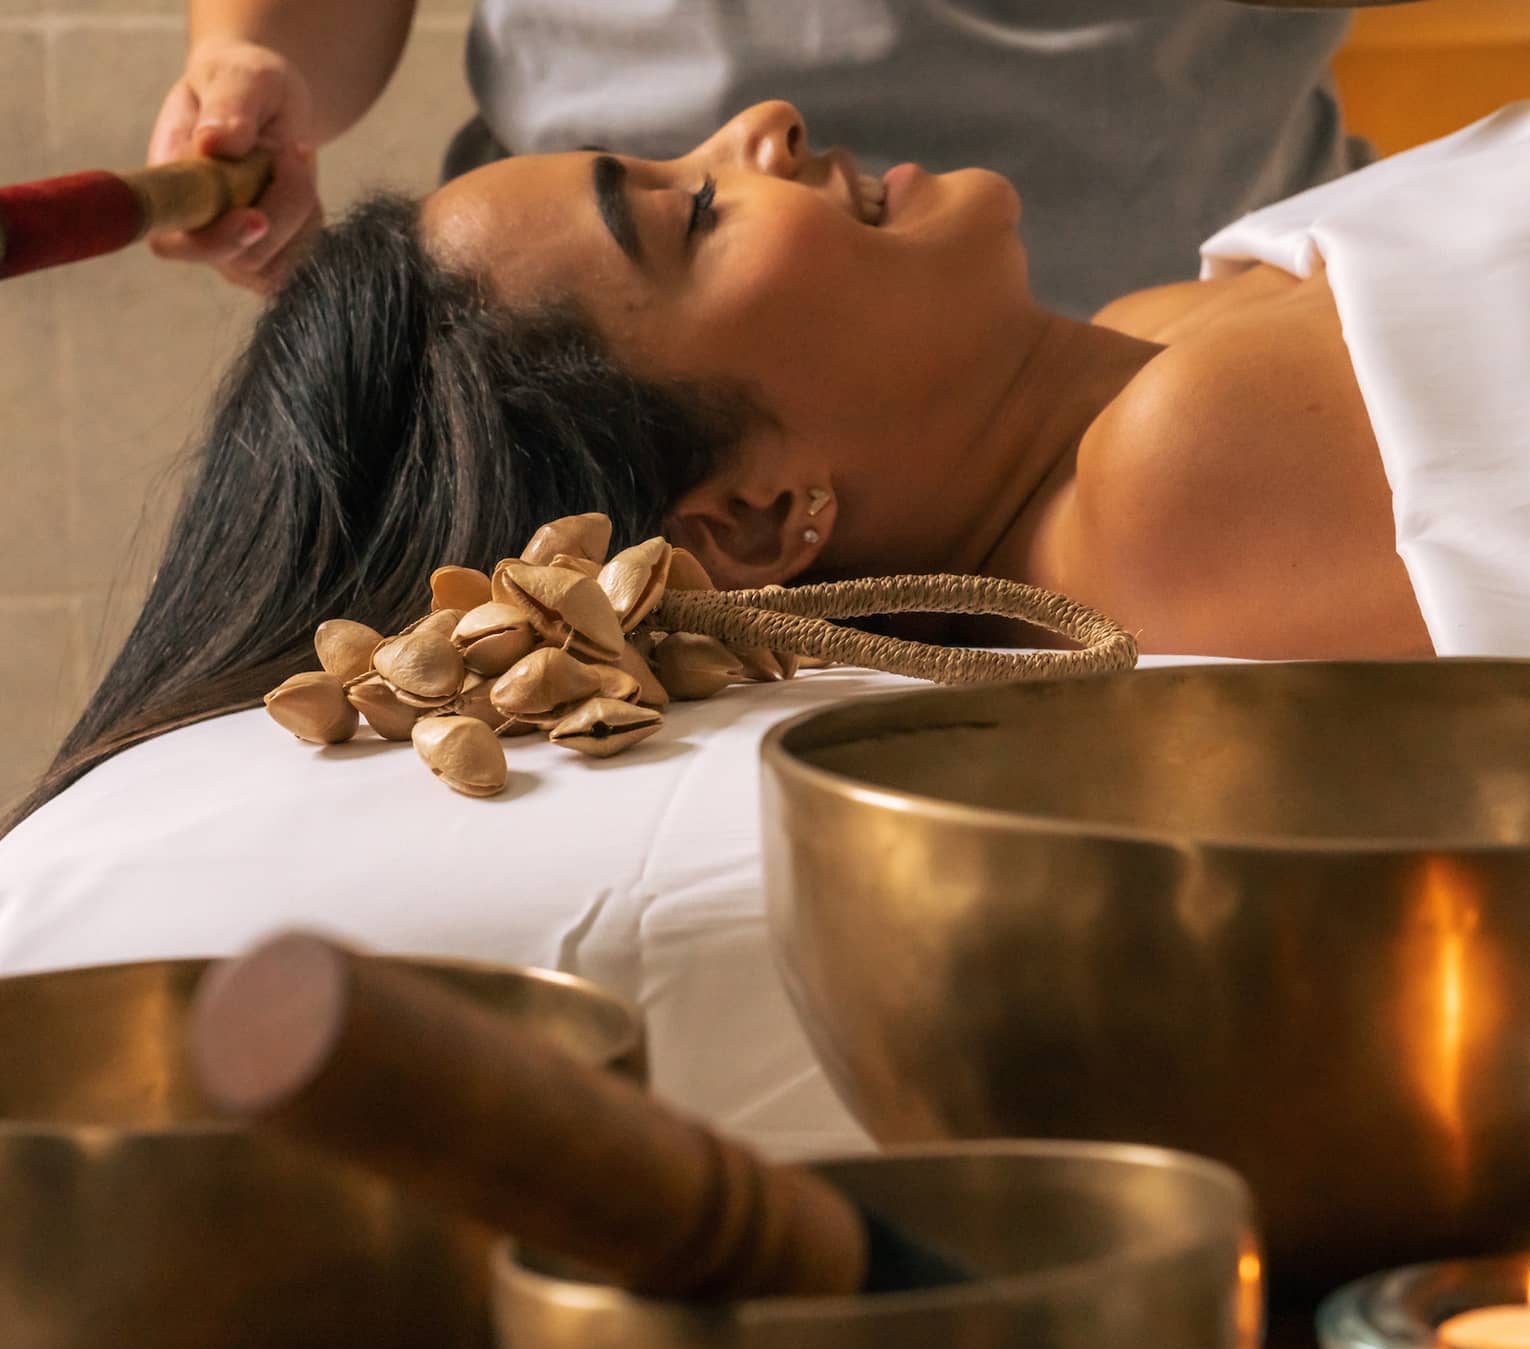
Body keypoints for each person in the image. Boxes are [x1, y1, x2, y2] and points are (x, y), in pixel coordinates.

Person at [26, 85, 1525, 841]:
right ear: (750, 518)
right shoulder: (1177, 485)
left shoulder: (1128, 367)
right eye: (690, 217)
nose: (763, 126)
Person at [147, 0, 1368, 312]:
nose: (772, 136)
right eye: (679, 208)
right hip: (654, 434)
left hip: (1193, 270)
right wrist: (260, 55)